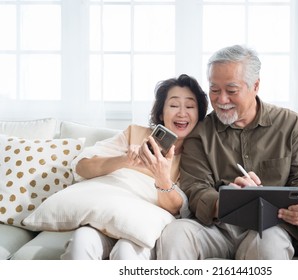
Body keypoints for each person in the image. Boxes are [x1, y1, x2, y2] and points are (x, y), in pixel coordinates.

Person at [156, 45, 298, 260]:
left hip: (269, 228)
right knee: (175, 234)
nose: (221, 100)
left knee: (269, 245)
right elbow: (195, 188)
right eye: (214, 90)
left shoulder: (290, 124)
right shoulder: (200, 133)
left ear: (255, 86)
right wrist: (231, 200)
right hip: (216, 228)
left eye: (232, 91)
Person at [60, 74, 208, 260]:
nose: (181, 113)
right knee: (81, 242)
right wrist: (124, 160)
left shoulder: (196, 156)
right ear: (161, 113)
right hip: (107, 216)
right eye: (173, 105)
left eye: (190, 106)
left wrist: (161, 177)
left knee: (126, 251)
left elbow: (178, 210)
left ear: (199, 115)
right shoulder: (134, 134)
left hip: (143, 228)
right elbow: (82, 167)